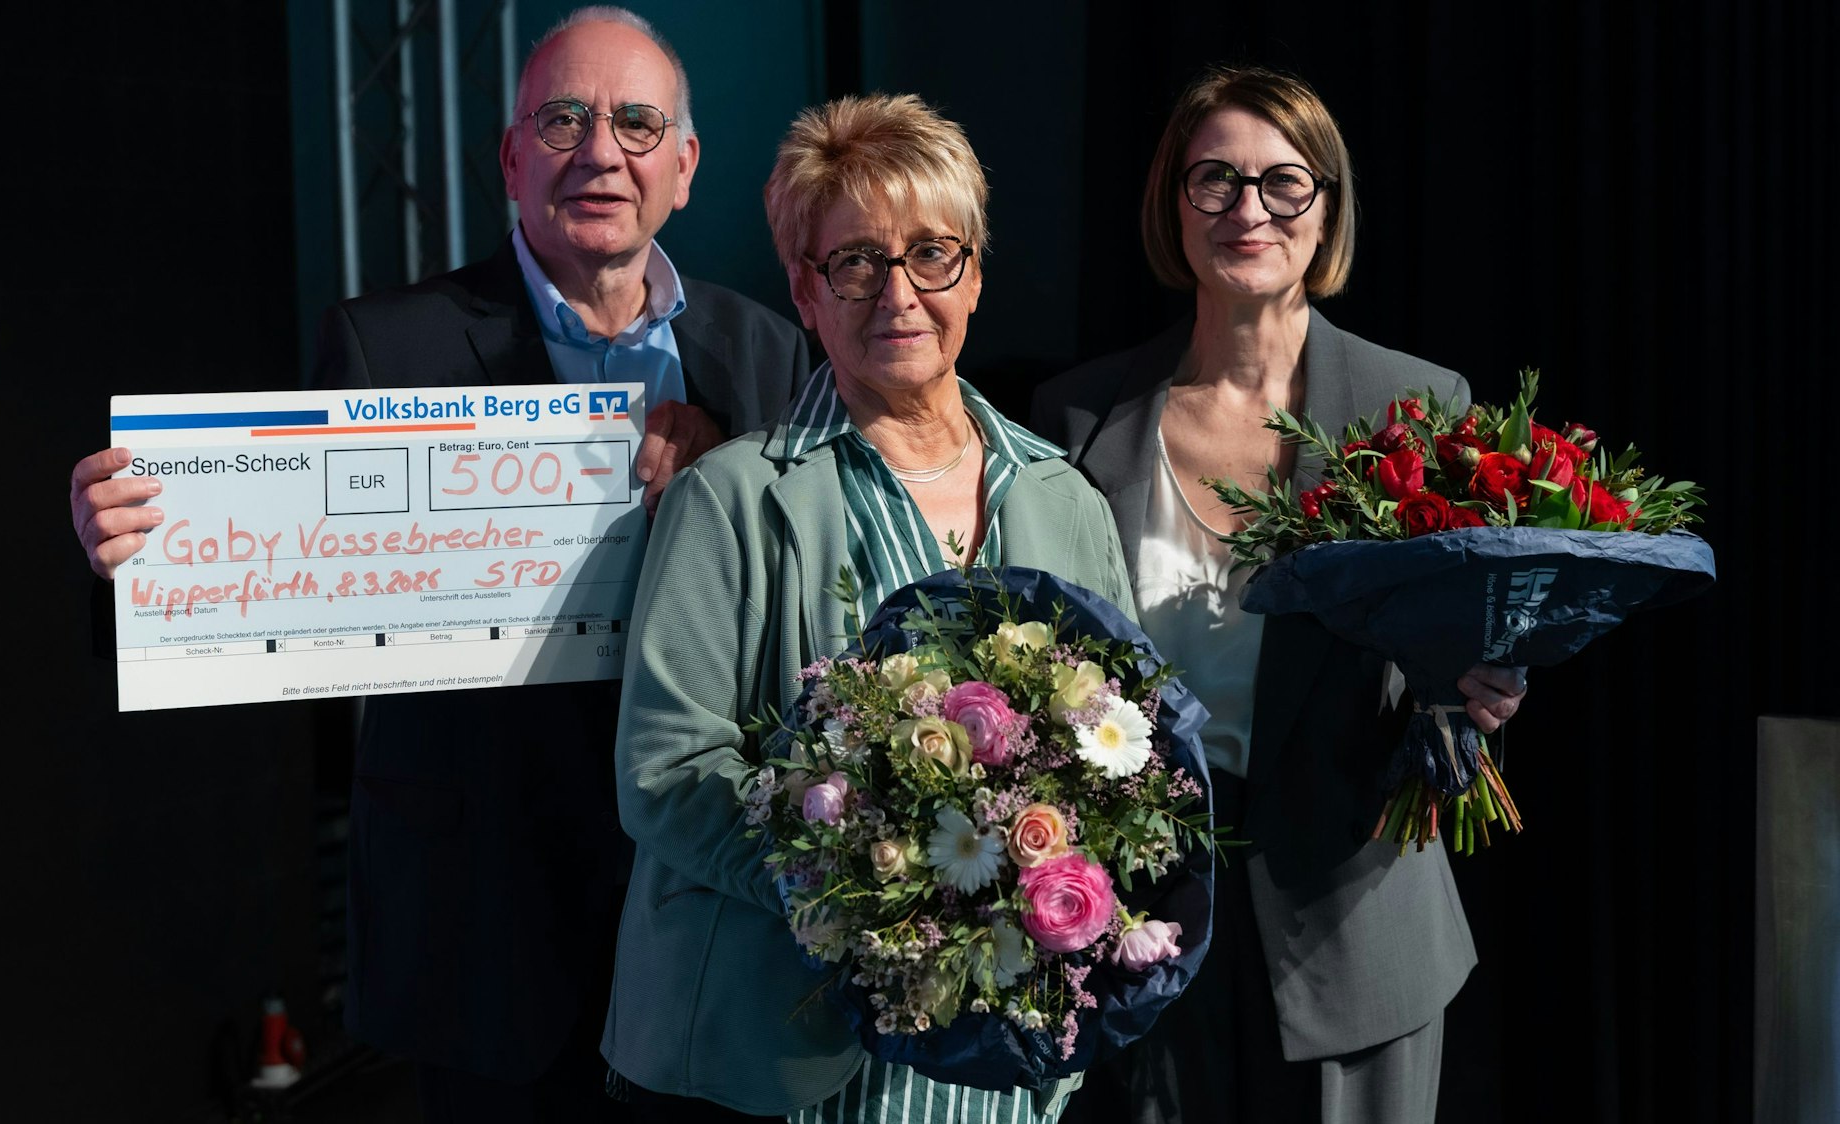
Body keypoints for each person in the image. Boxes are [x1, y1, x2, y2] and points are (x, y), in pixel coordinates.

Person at [67, 8, 807, 1122]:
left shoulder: (766, 352)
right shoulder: (387, 344)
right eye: (561, 119)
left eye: (636, 123)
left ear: (686, 166)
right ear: (511, 159)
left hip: (711, 930)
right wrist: (128, 557)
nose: (600, 150)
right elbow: (257, 570)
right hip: (489, 948)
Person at [600, 94, 1132, 1124]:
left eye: (931, 254)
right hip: (776, 1061)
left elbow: (1122, 756)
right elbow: (663, 771)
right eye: (856, 261)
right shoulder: (733, 496)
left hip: (994, 1070)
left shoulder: (1063, 496)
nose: (898, 293)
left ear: (973, 273)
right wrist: (872, 888)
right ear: (805, 288)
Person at [1029, 66, 1526, 1124]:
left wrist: (1476, 684)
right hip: (1144, 921)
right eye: (1214, 180)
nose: (1246, 209)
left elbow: (1454, 640)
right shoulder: (1077, 417)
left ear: (1325, 209)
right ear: (1175, 204)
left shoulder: (1420, 405)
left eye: (1281, 183)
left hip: (1357, 922)